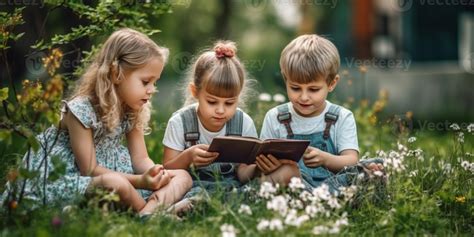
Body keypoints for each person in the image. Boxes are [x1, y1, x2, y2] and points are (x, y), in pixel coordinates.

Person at [1, 28, 192, 215]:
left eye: (155, 82)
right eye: (145, 82)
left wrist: (154, 174)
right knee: (116, 184)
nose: (152, 89)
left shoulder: (133, 108)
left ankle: (147, 213)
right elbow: (89, 169)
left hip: (121, 178)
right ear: (116, 73)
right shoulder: (81, 109)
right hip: (71, 179)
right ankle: (152, 212)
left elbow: (140, 159)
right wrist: (141, 181)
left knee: (182, 176)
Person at [162, 41, 298, 200]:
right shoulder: (180, 122)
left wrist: (258, 169)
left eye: (229, 103)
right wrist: (187, 158)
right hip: (191, 188)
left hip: (234, 188)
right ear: (195, 92)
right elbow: (167, 169)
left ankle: (231, 200)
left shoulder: (243, 122)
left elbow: (242, 173)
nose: (220, 110)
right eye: (212, 102)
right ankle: (196, 203)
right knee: (176, 186)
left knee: (289, 171)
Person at [259, 34, 384, 193]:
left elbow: (351, 160)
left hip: (334, 184)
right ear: (285, 80)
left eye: (313, 89)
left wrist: (325, 159)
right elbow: (263, 159)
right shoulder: (275, 117)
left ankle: (329, 200)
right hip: (294, 183)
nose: (304, 97)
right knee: (279, 176)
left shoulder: (341, 117)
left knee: (371, 170)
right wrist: (271, 165)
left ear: (331, 83)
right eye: (295, 88)